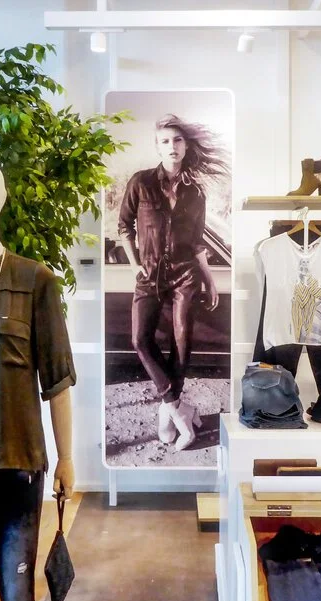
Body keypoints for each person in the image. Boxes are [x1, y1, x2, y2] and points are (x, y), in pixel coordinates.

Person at [118, 114, 230, 450]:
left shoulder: (195, 192)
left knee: (182, 342)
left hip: (184, 273)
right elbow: (124, 227)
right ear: (157, 147)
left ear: (186, 145)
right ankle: (179, 409)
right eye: (165, 141)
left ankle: (168, 412)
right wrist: (135, 266)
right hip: (149, 273)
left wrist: (209, 280)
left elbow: (197, 242)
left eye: (177, 140)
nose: (172, 146)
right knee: (140, 340)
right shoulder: (140, 182)